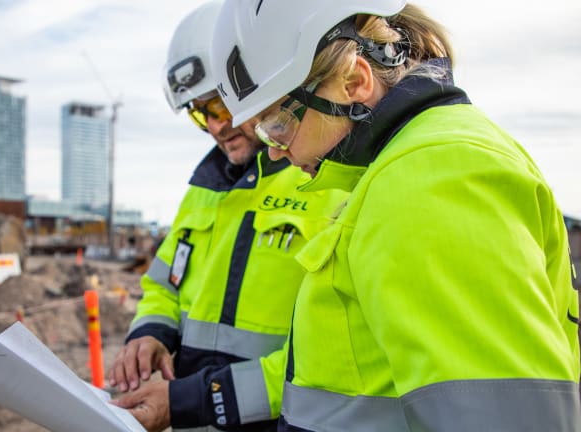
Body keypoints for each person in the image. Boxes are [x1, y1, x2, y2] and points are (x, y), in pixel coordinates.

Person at [209, 0, 581, 430]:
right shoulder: (408, 168)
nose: (274, 150)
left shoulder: (432, 178)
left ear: (354, 80)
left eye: (276, 124)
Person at [108, 2, 349, 431]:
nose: (217, 127)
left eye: (221, 106)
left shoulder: (328, 183)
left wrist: (195, 400)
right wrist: (151, 334)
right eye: (201, 115)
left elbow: (339, 354)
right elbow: (164, 285)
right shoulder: (203, 190)